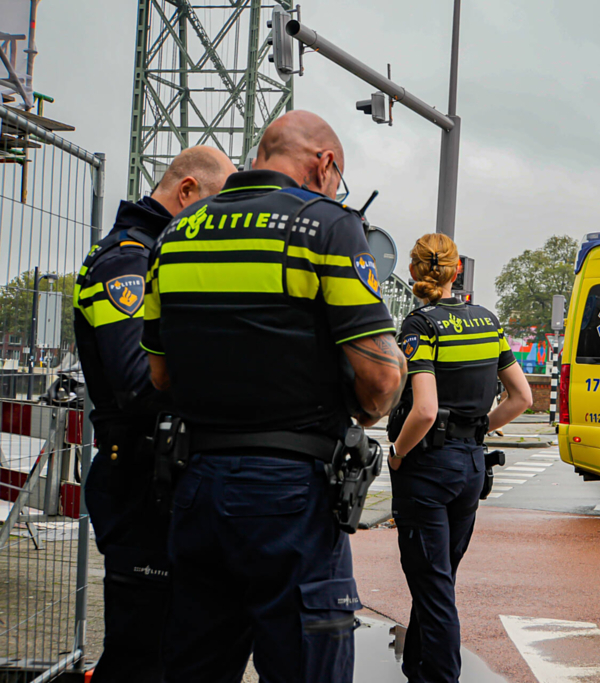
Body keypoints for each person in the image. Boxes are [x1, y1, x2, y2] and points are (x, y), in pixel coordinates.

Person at [141, 110, 407, 683]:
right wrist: (364, 404)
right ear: (325, 164)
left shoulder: (174, 236)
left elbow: (160, 376)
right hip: (292, 496)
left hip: (197, 485)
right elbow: (381, 379)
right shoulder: (327, 225)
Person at [73, 146, 237, 683]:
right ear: (186, 192)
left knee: (176, 649)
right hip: (139, 479)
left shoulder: (162, 256)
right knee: (142, 656)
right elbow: (136, 383)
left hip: (165, 477)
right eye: (214, 207)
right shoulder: (128, 260)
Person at [388, 233, 532, 682]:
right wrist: (477, 430)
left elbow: (424, 409)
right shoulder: (488, 322)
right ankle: (416, 668)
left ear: (414, 271)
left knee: (434, 588)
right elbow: (522, 396)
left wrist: (396, 454)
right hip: (470, 465)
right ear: (456, 272)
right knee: (437, 580)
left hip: (427, 469)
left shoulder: (421, 325)